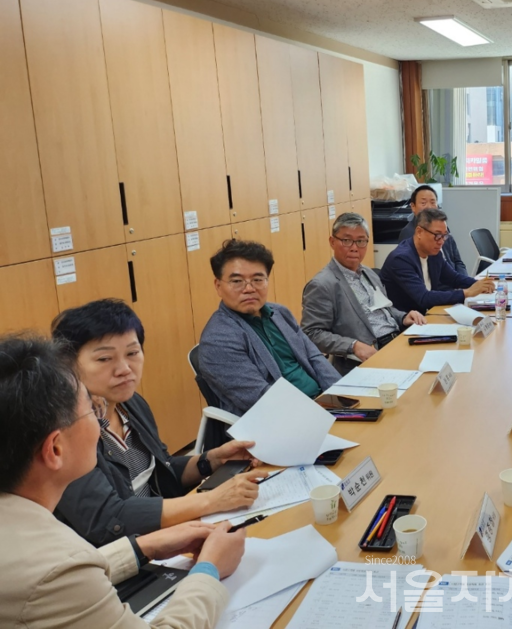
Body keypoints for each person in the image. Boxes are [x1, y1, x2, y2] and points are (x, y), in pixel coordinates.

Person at [0, 334, 246, 629]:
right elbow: (60, 575)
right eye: (92, 410)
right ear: (55, 449)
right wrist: (208, 571)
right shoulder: (57, 565)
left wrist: (142, 547)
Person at [51, 300, 268, 547]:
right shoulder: (65, 432)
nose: (124, 369)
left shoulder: (132, 405)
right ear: (69, 366)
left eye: (132, 353)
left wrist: (212, 460)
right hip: (120, 559)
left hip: (166, 536)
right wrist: (212, 500)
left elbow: (160, 471)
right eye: (104, 359)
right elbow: (107, 520)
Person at [198, 239, 341, 415]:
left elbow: (314, 357)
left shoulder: (280, 313)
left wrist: (341, 396)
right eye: (237, 281)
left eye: (258, 279)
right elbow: (261, 399)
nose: (249, 289)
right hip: (282, 420)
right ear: (218, 286)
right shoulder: (218, 339)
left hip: (322, 404)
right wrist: (319, 413)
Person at [302, 212, 427, 374]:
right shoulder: (322, 285)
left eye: (361, 241)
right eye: (346, 240)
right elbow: (311, 333)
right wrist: (353, 345)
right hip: (367, 358)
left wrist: (403, 317)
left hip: (397, 341)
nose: (354, 248)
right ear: (332, 242)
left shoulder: (369, 273)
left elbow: (383, 309)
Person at [380, 208, 496, 314]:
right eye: (437, 235)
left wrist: (480, 285)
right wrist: (467, 293)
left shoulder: (433, 253)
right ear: (419, 232)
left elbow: (454, 278)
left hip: (428, 315)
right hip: (407, 323)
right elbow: (423, 298)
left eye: (444, 236)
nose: (441, 242)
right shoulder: (401, 259)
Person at [397, 185, 467, 274]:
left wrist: (465, 283)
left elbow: (458, 262)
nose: (429, 207)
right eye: (423, 203)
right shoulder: (409, 233)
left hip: (455, 281)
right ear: (413, 207)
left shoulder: (443, 228)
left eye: (433, 202)